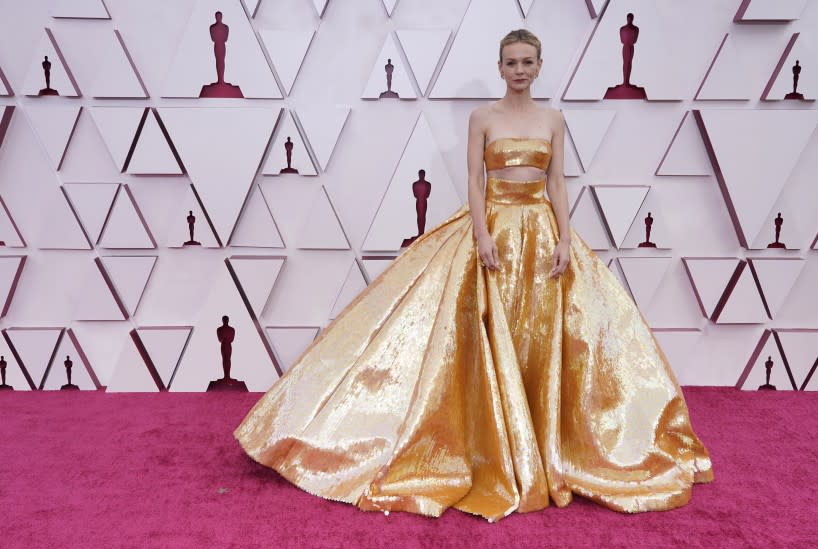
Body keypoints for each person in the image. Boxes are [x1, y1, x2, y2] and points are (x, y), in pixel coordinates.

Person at [234, 29, 713, 523]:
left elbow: (557, 183)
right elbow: (474, 179)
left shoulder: (553, 119)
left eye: (528, 61)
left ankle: (543, 440)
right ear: (501, 67)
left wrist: (566, 238)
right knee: (482, 331)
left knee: (544, 333)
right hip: (496, 234)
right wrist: (482, 233)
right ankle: (489, 444)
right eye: (511, 62)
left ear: (539, 65)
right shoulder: (482, 118)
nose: (520, 69)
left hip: (542, 234)